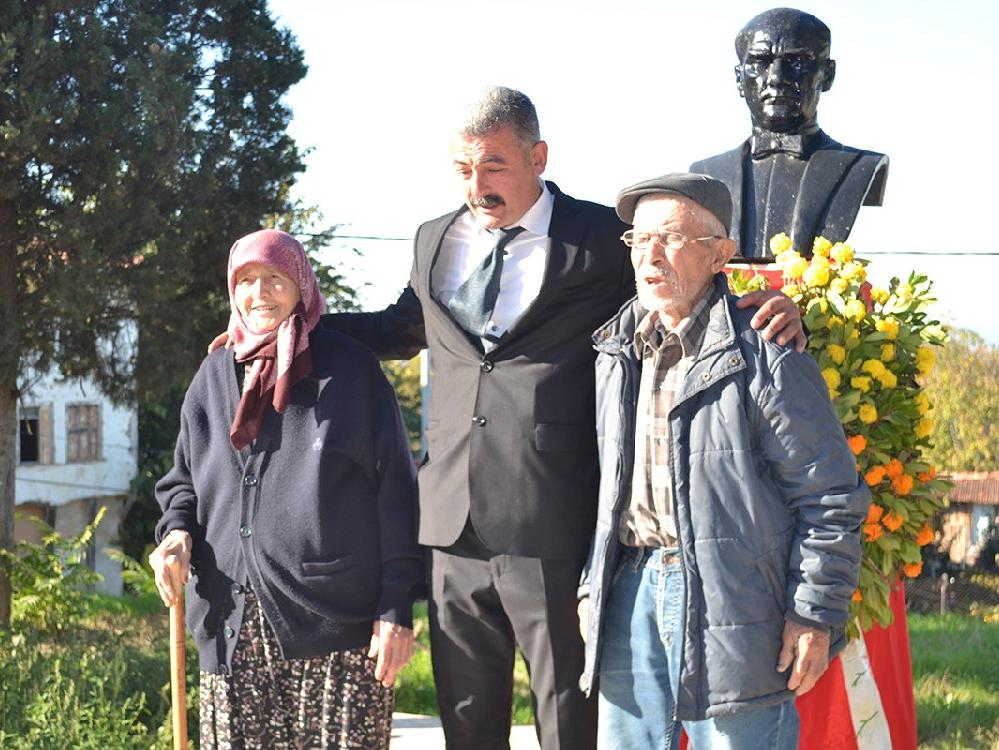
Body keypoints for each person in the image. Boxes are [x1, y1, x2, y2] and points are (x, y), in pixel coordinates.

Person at [320, 87, 807, 750]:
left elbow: (691, 284)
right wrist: (293, 328)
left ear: (537, 156)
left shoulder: (601, 237)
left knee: (567, 721)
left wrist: (775, 308)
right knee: (466, 722)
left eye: (493, 166)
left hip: (551, 518)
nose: (476, 186)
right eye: (462, 169)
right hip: (451, 523)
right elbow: (400, 329)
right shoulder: (433, 238)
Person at [577, 173, 871, 749]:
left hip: (734, 601)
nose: (650, 256)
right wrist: (594, 584)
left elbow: (831, 499)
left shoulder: (766, 356)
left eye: (671, 238)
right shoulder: (614, 351)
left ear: (720, 254)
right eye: (639, 239)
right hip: (628, 588)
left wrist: (813, 615)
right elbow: (605, 487)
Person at [150, 229, 423, 749]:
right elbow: (183, 482)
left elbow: (395, 493)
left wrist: (395, 608)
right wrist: (176, 533)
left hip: (337, 629)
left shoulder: (349, 369)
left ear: (302, 286)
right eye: (247, 280)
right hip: (231, 625)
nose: (260, 293)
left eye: (275, 278)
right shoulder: (213, 376)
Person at [690, 7, 888, 261]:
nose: (776, 77)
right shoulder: (706, 173)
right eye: (760, 62)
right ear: (739, 78)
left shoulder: (859, 167)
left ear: (827, 75)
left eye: (797, 61)